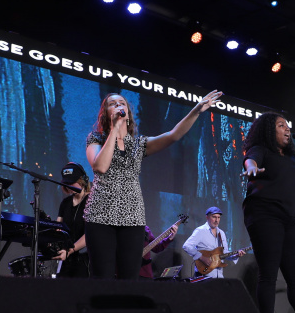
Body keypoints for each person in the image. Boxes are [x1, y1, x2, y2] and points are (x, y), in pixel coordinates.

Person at [84, 89, 222, 279]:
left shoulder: (139, 144)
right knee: (102, 276)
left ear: (128, 114)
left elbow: (173, 135)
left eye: (122, 103)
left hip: (132, 218)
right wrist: (114, 129)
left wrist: (196, 110)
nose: (118, 105)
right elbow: (100, 166)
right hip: (100, 216)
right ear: (105, 114)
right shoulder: (96, 139)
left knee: (129, 278)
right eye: (112, 104)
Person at [242, 113, 295, 313]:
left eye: (287, 125)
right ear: (268, 130)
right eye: (281, 125)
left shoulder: (293, 158)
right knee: (269, 275)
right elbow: (251, 159)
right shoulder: (261, 149)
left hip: (289, 220)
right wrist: (251, 167)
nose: (287, 129)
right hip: (264, 214)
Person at [181, 206, 246, 279]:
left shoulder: (221, 233)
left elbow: (224, 252)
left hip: (219, 276)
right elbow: (186, 246)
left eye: (218, 217)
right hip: (204, 275)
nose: (217, 220)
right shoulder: (200, 231)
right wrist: (202, 257)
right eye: (214, 217)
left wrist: (236, 255)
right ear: (207, 217)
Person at [55, 161, 90, 278]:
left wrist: (70, 250)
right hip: (68, 258)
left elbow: (90, 234)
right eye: (66, 183)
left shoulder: (92, 201)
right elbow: (58, 227)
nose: (69, 186)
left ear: (82, 181)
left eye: (72, 182)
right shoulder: (65, 203)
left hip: (86, 260)